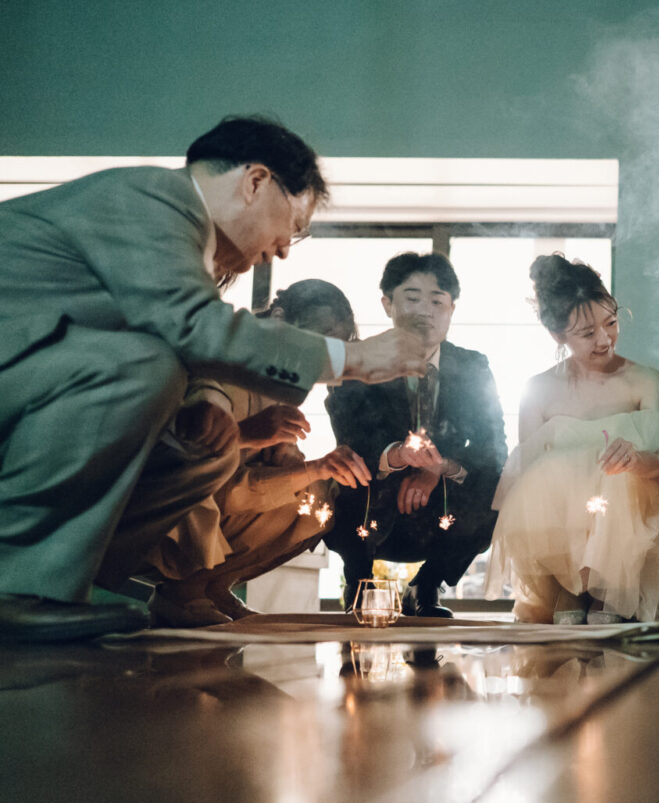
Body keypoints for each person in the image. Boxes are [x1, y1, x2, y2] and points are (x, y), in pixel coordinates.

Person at [0, 115, 426, 642]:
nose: (284, 248)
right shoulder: (152, 199)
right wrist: (352, 359)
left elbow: (165, 327)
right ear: (255, 182)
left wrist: (210, 402)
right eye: (293, 225)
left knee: (207, 447)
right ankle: (16, 588)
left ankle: (54, 585)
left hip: (31, 384)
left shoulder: (181, 233)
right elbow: (191, 326)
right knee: (145, 368)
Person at [485, 254, 659, 624]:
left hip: (633, 540)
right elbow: (529, 483)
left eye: (611, 323)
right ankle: (571, 586)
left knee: (617, 477)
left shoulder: (645, 380)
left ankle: (609, 589)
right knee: (551, 469)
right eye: (587, 333)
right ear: (557, 335)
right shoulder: (537, 390)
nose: (604, 339)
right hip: (558, 546)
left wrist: (635, 459)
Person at [145, 280, 373, 624]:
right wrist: (306, 466)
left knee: (319, 499)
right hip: (167, 505)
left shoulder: (281, 379)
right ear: (278, 319)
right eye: (317, 344)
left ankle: (214, 586)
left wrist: (300, 464)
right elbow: (214, 481)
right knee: (308, 485)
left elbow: (279, 467)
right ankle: (182, 591)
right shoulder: (224, 366)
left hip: (219, 495)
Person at [324, 253, 506, 618]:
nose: (425, 310)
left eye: (437, 301)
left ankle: (426, 585)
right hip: (373, 498)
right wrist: (397, 456)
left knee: (501, 484)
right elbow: (350, 437)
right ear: (387, 304)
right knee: (342, 471)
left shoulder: (472, 367)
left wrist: (437, 468)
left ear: (452, 309)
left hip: (441, 507)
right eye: (412, 298)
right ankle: (358, 581)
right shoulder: (358, 360)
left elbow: (494, 446)